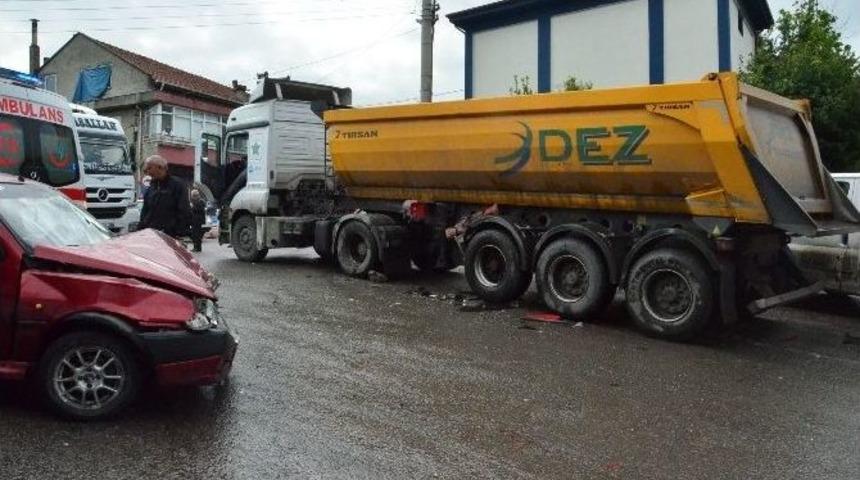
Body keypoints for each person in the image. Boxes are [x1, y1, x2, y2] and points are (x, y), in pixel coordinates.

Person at [138, 155, 190, 238]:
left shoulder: (177, 185)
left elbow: (184, 210)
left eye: (149, 168)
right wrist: (141, 229)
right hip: (151, 235)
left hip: (170, 236)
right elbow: (145, 211)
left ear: (160, 167)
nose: (147, 172)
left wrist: (177, 232)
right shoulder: (151, 187)